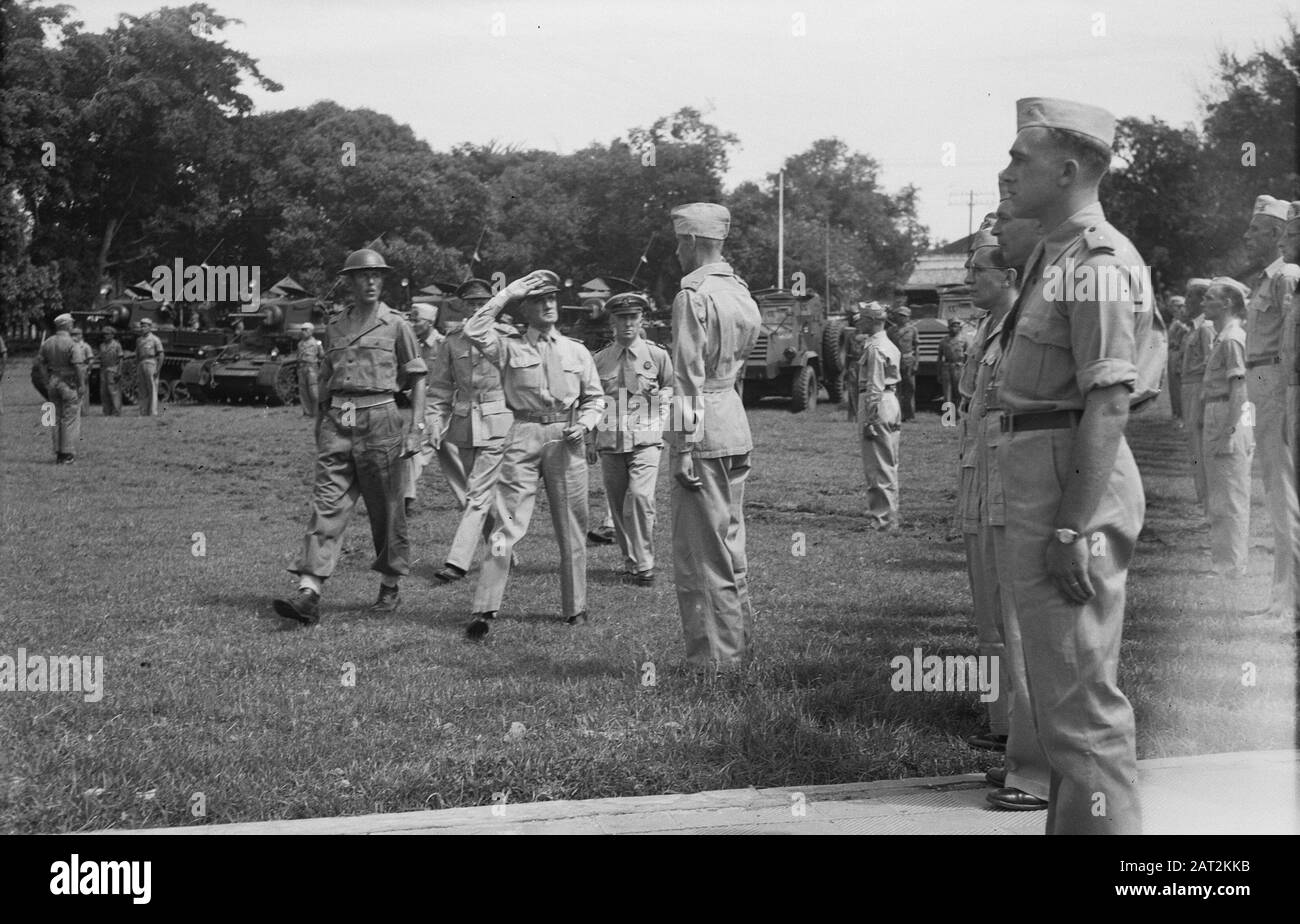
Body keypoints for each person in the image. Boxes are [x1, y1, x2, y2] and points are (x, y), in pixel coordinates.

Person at [996, 96, 1145, 834]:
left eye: (1020, 159)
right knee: (1061, 709)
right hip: (1040, 466)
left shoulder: (1100, 262)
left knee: (1082, 710)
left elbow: (1110, 403)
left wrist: (1070, 529)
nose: (1006, 171)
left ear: (1066, 168)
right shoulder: (1052, 254)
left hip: (1069, 480)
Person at [272, 248, 427, 625]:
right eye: (362, 276)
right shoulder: (335, 326)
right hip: (337, 422)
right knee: (326, 504)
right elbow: (326, 376)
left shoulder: (397, 325)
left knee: (387, 510)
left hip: (381, 420)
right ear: (351, 282)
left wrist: (416, 427)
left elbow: (418, 375)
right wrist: (320, 420)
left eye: (377, 275)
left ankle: (390, 585)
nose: (370, 282)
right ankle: (309, 592)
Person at [956, 235, 1051, 812]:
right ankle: (1012, 741)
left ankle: (1037, 771)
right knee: (992, 616)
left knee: (1021, 625)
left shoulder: (1025, 324)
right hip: (983, 480)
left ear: (1007, 274)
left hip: (1013, 483)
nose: (968, 278)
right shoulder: (993, 327)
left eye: (976, 270)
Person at [460, 270, 606, 639]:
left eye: (553, 298)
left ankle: (576, 608)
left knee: (572, 527)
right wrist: (507, 293)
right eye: (539, 300)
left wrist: (586, 425)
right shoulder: (508, 346)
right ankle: (485, 608)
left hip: (565, 438)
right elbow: (474, 330)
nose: (549, 304)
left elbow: (595, 398)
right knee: (506, 526)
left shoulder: (576, 350)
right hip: (522, 434)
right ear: (524, 308)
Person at [669, 202, 762, 672]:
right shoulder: (739, 291)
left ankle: (715, 664)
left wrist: (682, 446)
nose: (677, 251)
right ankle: (739, 644)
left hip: (702, 424)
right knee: (731, 544)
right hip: (733, 419)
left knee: (701, 554)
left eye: (679, 242)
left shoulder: (694, 294)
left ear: (690, 242)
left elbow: (687, 375)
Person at [428, 288, 516, 583]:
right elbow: (440, 387)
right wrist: (433, 421)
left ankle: (457, 562)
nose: (479, 309)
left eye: (484, 303)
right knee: (482, 496)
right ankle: (503, 552)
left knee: (477, 494)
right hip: (465, 426)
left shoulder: (507, 336)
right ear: (464, 307)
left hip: (500, 423)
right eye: (473, 304)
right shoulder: (452, 341)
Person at [1240, 194, 1299, 620]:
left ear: (1279, 234)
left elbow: (1289, 344)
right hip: (1263, 379)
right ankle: (1284, 592)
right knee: (1276, 491)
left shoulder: (1286, 277)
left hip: (1276, 380)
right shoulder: (1269, 277)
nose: (1247, 235)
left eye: (1256, 229)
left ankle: (1287, 596)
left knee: (1283, 493)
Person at [592, 293, 674, 585]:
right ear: (611, 321)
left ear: (642, 320)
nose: (628, 323)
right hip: (611, 440)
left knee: (639, 498)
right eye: (621, 318)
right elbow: (591, 401)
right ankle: (631, 561)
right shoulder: (599, 360)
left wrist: (661, 398)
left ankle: (645, 564)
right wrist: (591, 441)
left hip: (646, 439)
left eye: (633, 317)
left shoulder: (657, 355)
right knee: (617, 505)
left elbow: (672, 387)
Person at [1199, 278, 1254, 579]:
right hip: (1218, 410)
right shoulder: (1222, 337)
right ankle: (1223, 562)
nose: (1203, 303)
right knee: (1219, 493)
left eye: (1209, 298)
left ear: (1227, 303)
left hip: (1228, 413)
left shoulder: (1232, 338)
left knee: (1230, 493)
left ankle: (1231, 564)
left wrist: (1231, 431)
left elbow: (1240, 389)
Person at [402, 303, 467, 515]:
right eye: (411, 319)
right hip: (426, 405)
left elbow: (456, 377)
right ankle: (469, 500)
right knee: (449, 454)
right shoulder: (415, 344)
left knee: (415, 448)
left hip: (441, 406)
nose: (412, 324)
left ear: (429, 322)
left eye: (416, 320)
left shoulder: (443, 343)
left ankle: (406, 499)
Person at [857, 302, 902, 529]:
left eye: (863, 318)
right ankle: (888, 513)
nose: (858, 321)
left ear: (874, 321)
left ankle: (883, 519)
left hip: (878, 402)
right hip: (891, 401)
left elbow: (874, 387)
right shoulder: (889, 344)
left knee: (877, 463)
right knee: (889, 460)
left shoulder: (875, 348)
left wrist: (870, 420)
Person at [1179, 279, 1214, 517]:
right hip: (1187, 386)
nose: (1186, 301)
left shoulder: (1205, 327)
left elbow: (1211, 360)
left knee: (1200, 444)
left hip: (1197, 386)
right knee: (1193, 442)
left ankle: (1209, 502)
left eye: (1191, 297)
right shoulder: (1194, 327)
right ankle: (1203, 498)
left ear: (1202, 300)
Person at [37, 314, 87, 463]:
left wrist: (47, 380)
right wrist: (81, 385)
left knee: (56, 419)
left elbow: (39, 363)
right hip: (68, 383)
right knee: (70, 418)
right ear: (67, 325)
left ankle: (58, 452)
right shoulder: (72, 344)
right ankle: (68, 453)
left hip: (53, 381)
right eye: (71, 323)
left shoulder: (48, 342)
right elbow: (78, 366)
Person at [889, 305, 918, 421]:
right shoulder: (891, 331)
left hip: (908, 361)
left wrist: (916, 363)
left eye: (904, 316)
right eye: (899, 316)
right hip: (895, 362)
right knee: (895, 389)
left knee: (910, 389)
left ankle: (910, 415)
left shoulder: (913, 330)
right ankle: (897, 415)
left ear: (908, 318)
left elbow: (917, 348)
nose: (901, 318)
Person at [838, 303, 866, 421]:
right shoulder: (851, 337)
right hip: (853, 365)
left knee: (865, 391)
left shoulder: (868, 337)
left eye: (860, 322)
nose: (859, 324)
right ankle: (853, 416)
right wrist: (844, 368)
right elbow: (845, 352)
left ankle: (864, 415)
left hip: (865, 365)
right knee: (852, 390)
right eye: (857, 322)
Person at [1164, 295, 1189, 424]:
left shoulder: (1181, 323)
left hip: (1178, 352)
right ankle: (1176, 413)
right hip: (1172, 353)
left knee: (1178, 385)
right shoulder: (1175, 321)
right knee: (1173, 385)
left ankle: (1181, 415)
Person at [135, 318, 163, 416]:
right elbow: (137, 354)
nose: (143, 328)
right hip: (142, 362)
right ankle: (143, 411)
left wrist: (158, 369)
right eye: (141, 326)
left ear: (150, 327)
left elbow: (161, 354)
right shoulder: (139, 340)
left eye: (145, 326)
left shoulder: (155, 339)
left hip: (151, 362)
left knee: (152, 387)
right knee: (142, 389)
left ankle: (152, 411)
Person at [938, 318, 967, 409]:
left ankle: (959, 415)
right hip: (947, 367)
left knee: (959, 392)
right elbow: (939, 357)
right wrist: (939, 373)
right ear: (948, 327)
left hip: (959, 367)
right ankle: (948, 417)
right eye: (952, 326)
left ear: (959, 328)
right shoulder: (943, 341)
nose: (954, 328)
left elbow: (968, 357)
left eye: (956, 326)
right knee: (947, 394)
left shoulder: (964, 340)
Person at [296, 322, 324, 418]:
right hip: (302, 367)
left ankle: (316, 412)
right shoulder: (300, 344)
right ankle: (307, 412)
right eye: (302, 330)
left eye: (306, 330)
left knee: (314, 391)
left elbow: (322, 356)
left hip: (312, 367)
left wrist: (320, 347)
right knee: (303, 391)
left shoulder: (316, 343)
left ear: (311, 331)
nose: (303, 332)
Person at [98, 326, 123, 416]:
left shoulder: (116, 345)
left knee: (114, 391)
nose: (105, 336)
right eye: (104, 334)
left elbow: (120, 359)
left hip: (113, 369)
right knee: (104, 392)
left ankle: (116, 411)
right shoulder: (102, 345)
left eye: (107, 334)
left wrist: (119, 371)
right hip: (104, 369)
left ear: (112, 335)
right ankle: (106, 411)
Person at [71, 328, 94, 413]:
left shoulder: (85, 346)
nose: (74, 337)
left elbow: (91, 359)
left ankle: (84, 410)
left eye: (76, 334)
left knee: (83, 389)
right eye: (73, 334)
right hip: (72, 369)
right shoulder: (71, 345)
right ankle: (75, 410)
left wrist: (89, 370)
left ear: (81, 335)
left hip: (82, 367)